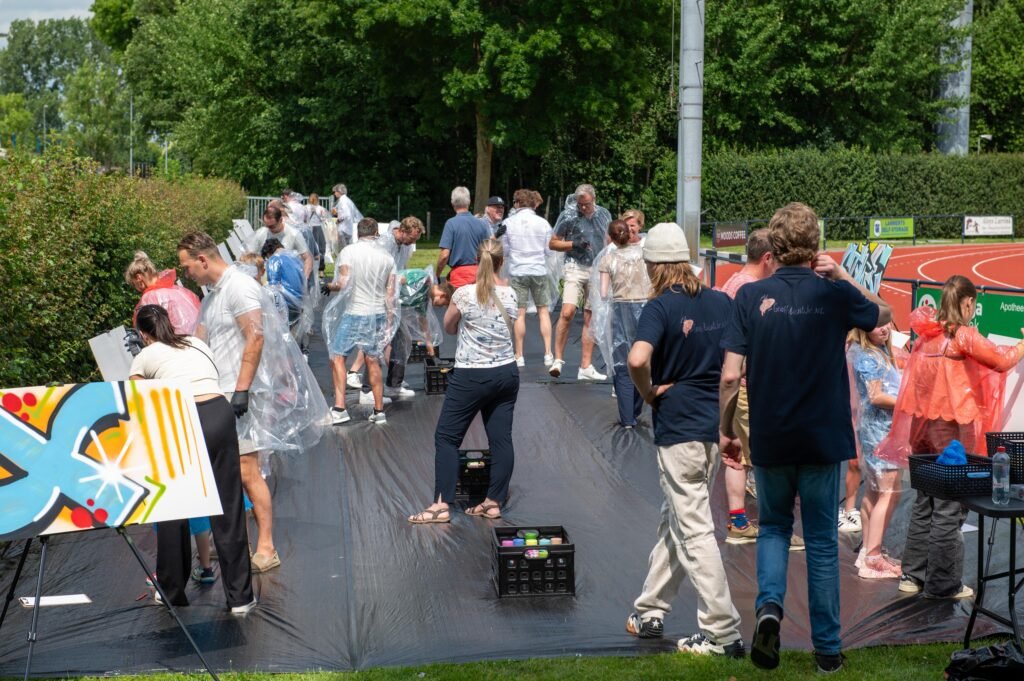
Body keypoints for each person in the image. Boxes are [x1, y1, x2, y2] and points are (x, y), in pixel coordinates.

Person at [720, 202, 890, 674]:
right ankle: (828, 650)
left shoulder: (750, 298)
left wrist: (727, 429)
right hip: (822, 436)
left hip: (772, 433)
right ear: (815, 247)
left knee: (773, 527)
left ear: (773, 247)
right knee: (818, 541)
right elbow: (885, 313)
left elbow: (731, 375)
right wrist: (842, 275)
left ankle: (769, 609)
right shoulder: (833, 295)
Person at [623, 222, 743, 657]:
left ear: (654, 265)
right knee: (676, 520)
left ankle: (723, 632)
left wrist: (647, 392)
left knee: (693, 529)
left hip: (678, 430)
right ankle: (651, 609)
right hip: (711, 428)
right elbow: (733, 369)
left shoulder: (658, 307)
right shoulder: (719, 300)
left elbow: (637, 358)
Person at [879, 275, 1024, 599]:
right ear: (968, 303)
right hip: (953, 432)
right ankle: (944, 584)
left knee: (925, 502)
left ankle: (912, 576)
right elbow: (1001, 361)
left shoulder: (927, 337)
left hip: (923, 429)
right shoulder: (962, 336)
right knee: (949, 506)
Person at [129, 304, 256, 615]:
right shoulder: (197, 343)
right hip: (218, 412)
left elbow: (138, 403)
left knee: (173, 506)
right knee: (228, 506)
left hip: (181, 416)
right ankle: (240, 598)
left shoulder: (144, 356)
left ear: (144, 335)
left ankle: (172, 591)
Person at [179, 232, 283, 574]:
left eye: (187, 266)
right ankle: (240, 544)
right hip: (217, 393)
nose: (186, 273)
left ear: (203, 260)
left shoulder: (239, 287)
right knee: (225, 472)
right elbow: (201, 342)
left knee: (247, 470)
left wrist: (242, 390)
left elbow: (255, 336)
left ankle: (266, 546)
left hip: (239, 394)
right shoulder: (212, 297)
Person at [409, 239, 519, 524]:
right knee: (501, 439)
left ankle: (441, 505)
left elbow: (448, 327)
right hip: (506, 372)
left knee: (446, 437)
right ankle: (493, 502)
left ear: (475, 261)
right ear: (501, 262)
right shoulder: (510, 294)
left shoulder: (465, 295)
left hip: (472, 374)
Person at [715, 229, 786, 546]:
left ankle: (739, 521)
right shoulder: (752, 291)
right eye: (778, 259)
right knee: (764, 458)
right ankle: (769, 526)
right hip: (751, 385)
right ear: (768, 258)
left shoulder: (732, 283)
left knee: (737, 457)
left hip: (738, 383)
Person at [323, 217, 398, 424]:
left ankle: (339, 408)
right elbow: (390, 293)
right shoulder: (387, 258)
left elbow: (344, 283)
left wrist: (330, 286)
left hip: (356, 312)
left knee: (337, 357)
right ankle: (379, 410)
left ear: (358, 233)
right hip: (378, 313)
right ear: (376, 233)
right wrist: (390, 320)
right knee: (372, 360)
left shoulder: (349, 252)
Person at [847, 323, 903, 579]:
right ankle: (873, 556)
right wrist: (908, 400)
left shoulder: (872, 351)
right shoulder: (869, 356)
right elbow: (876, 396)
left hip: (876, 430)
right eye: (878, 324)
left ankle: (868, 551)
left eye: (888, 323)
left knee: (874, 490)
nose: (885, 329)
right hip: (880, 431)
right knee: (889, 492)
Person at [548, 183, 611, 381]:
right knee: (567, 311)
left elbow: (608, 240)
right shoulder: (569, 215)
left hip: (596, 267)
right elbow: (553, 242)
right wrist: (573, 244)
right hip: (574, 265)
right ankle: (557, 359)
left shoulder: (603, 215)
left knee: (590, 317)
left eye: (587, 204)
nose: (583, 208)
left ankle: (585, 366)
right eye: (580, 204)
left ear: (594, 199)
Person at [595, 219, 649, 428]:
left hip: (620, 310)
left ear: (610, 237)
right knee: (643, 360)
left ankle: (627, 417)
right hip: (644, 309)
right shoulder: (644, 255)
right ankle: (637, 407)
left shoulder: (608, 260)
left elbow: (603, 293)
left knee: (622, 363)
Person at [501, 188, 554, 367]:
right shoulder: (543, 223)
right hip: (538, 269)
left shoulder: (508, 222)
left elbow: (506, 251)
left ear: (517, 203)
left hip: (518, 270)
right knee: (543, 311)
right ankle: (548, 353)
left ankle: (519, 354)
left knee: (519, 314)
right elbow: (549, 250)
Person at [124, 252, 200, 334]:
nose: (136, 288)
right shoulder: (177, 289)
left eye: (133, 284)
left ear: (139, 278)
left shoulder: (149, 297)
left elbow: (146, 331)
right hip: (200, 340)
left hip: (178, 343)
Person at [436, 186, 492, 288]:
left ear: (452, 203)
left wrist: (437, 275)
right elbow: (489, 250)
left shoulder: (451, 223)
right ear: (469, 202)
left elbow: (444, 255)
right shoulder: (482, 224)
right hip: (479, 274)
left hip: (459, 275)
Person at [248, 205, 313, 281]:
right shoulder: (261, 233)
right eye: (266, 225)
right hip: (265, 278)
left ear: (281, 220)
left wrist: (304, 279)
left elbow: (307, 258)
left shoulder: (293, 234)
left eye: (272, 226)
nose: (269, 228)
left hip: (288, 278)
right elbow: (249, 255)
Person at [331, 183, 362, 255]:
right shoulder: (347, 200)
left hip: (343, 229)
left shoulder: (343, 201)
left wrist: (337, 220)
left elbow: (345, 214)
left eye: (335, 192)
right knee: (348, 250)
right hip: (348, 227)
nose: (334, 194)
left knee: (343, 251)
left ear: (339, 192)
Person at [306, 193, 330, 273]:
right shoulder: (321, 208)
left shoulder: (305, 208)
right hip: (318, 228)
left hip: (308, 228)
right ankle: (321, 270)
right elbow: (324, 219)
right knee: (321, 248)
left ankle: (309, 268)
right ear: (318, 199)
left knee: (308, 248)